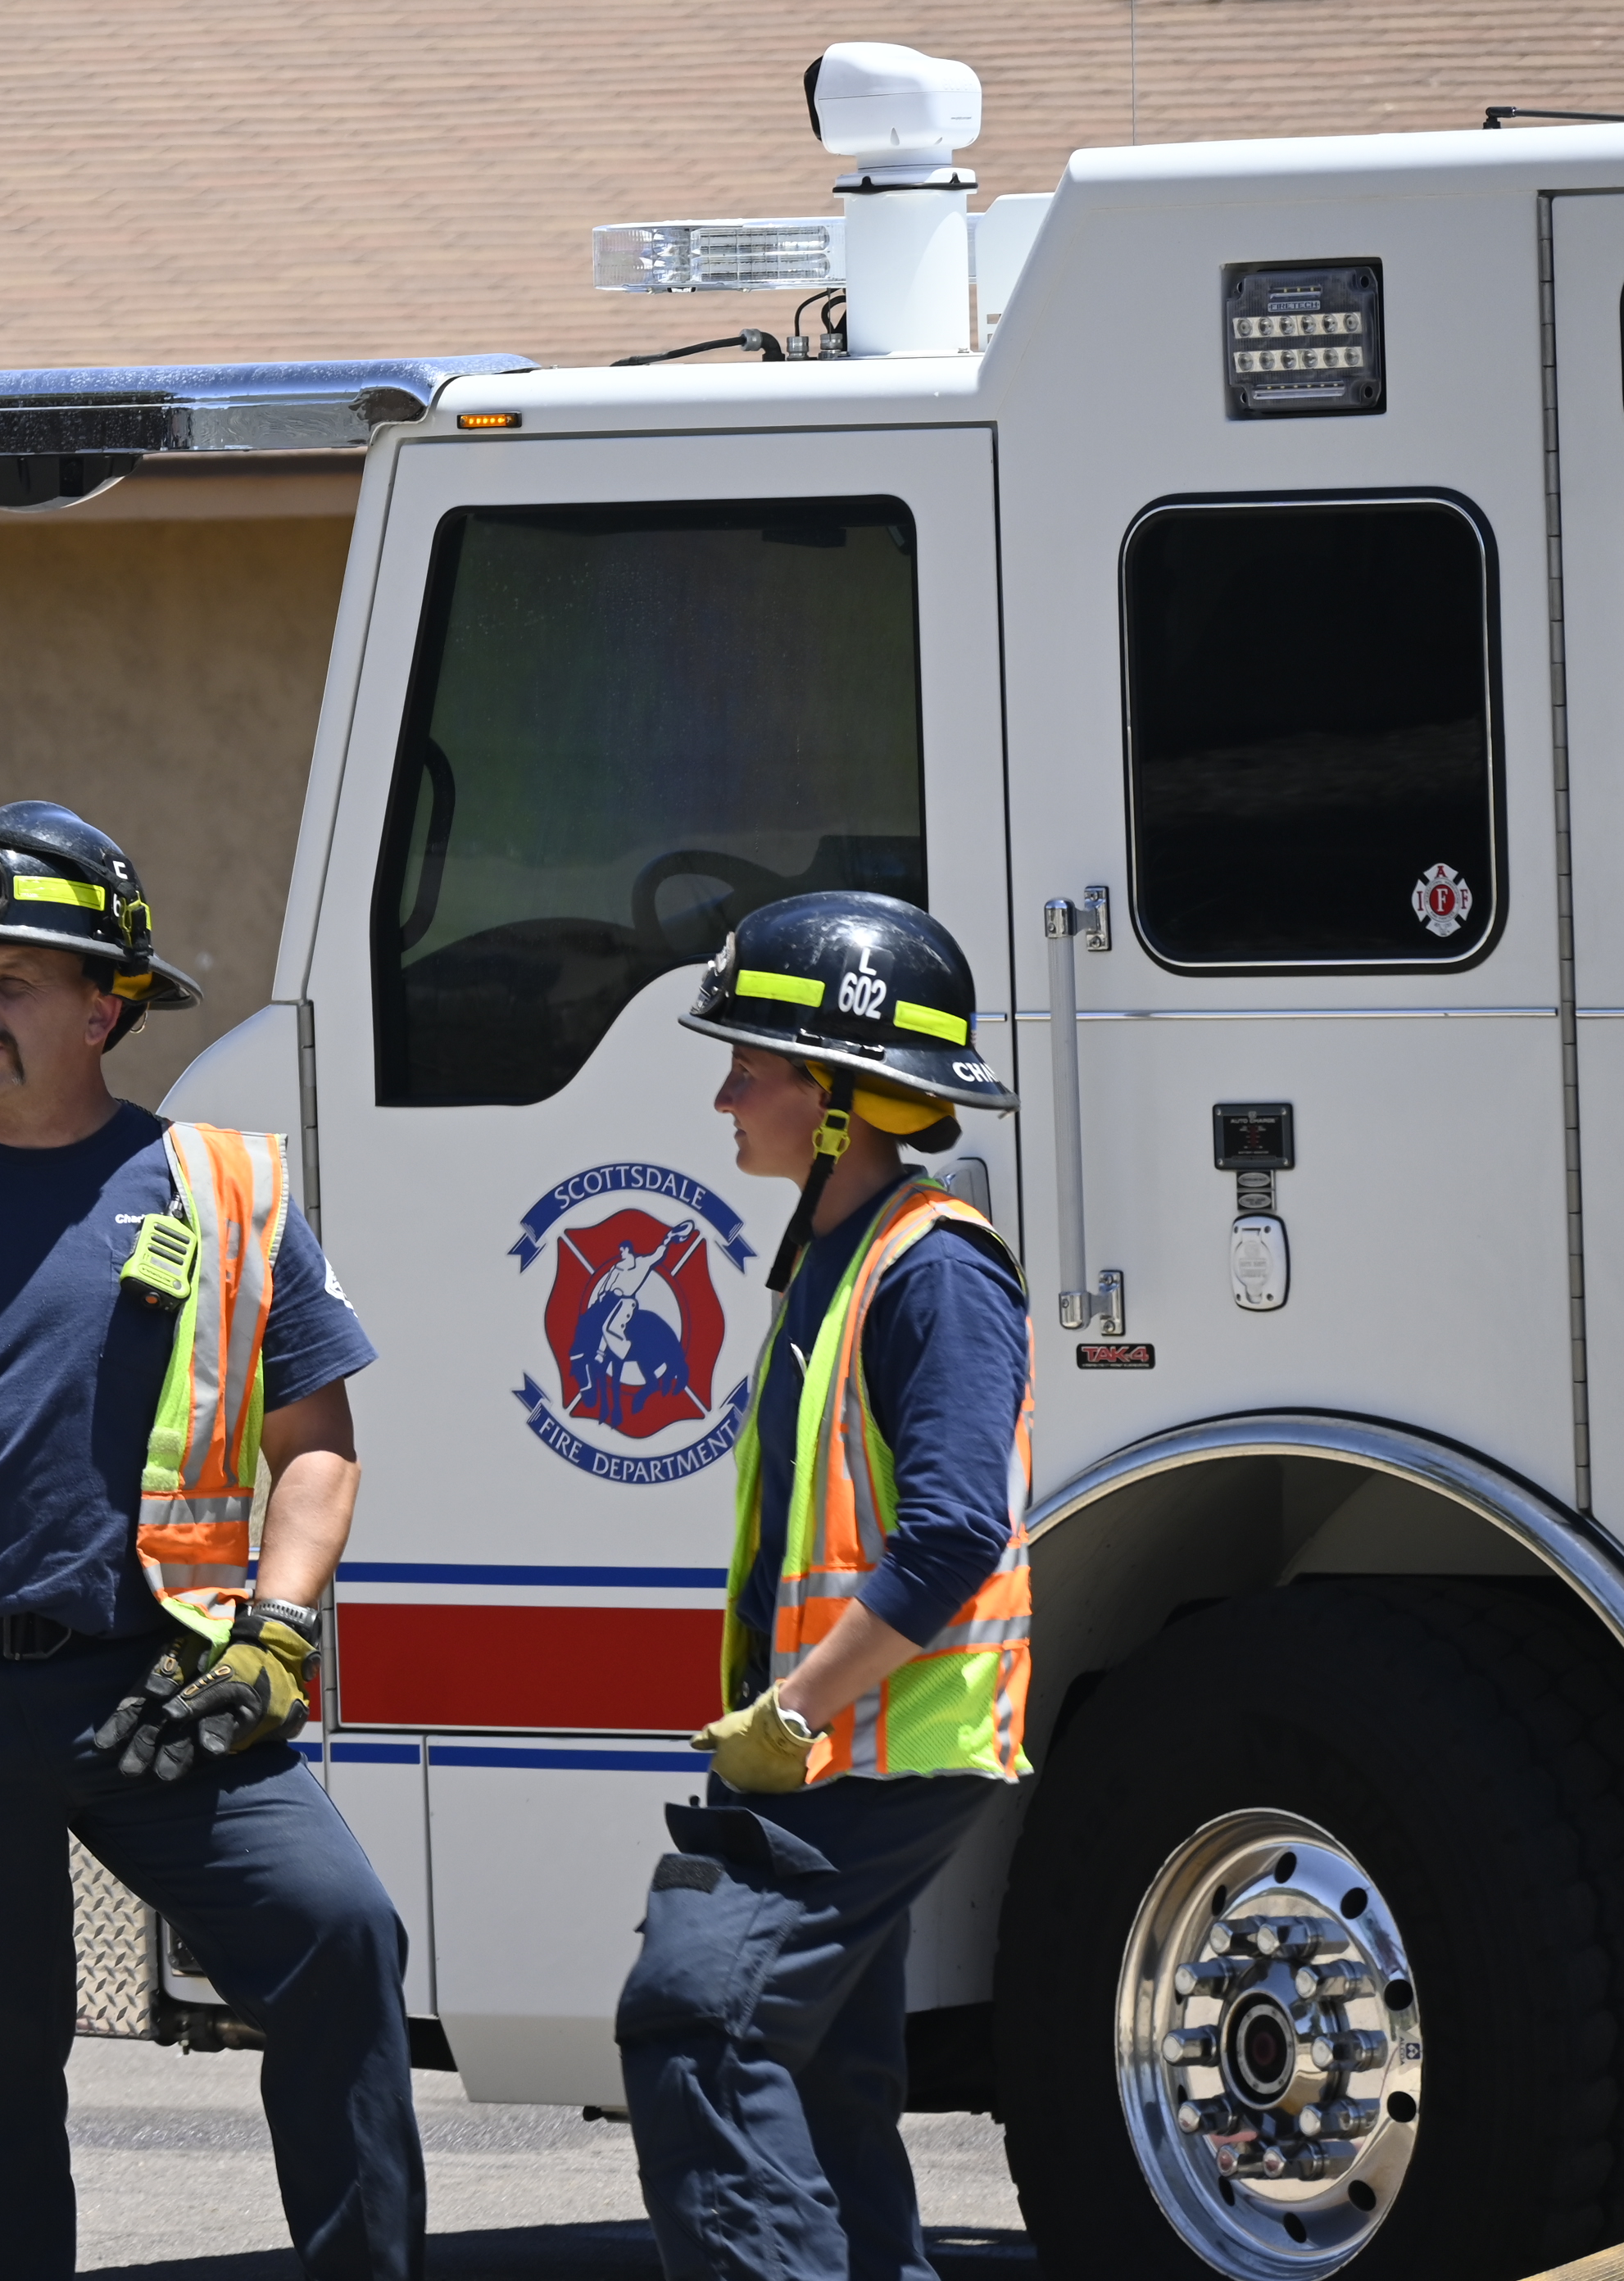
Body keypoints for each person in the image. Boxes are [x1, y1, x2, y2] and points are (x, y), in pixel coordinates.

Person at [0, 800, 426, 2281]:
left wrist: (278, 1629)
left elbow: (315, 1448)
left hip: (159, 1683)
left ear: (106, 1008)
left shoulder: (226, 1193)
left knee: (341, 1935)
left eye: (13, 981)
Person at [616, 891, 1035, 2281]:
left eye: (751, 1066)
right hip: (833, 1745)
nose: (724, 1096)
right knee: (822, 2074)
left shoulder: (937, 1276)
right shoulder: (833, 1257)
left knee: (697, 2023)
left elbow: (955, 1534)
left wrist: (793, 1710)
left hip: (871, 1747)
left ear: (843, 1097)